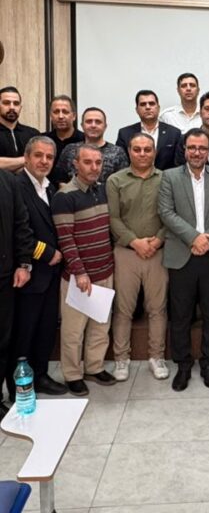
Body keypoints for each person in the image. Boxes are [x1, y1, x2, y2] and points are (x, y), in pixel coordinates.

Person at [158, 128, 209, 391]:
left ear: (208, 151)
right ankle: (183, 364)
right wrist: (194, 238)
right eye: (192, 147)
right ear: (184, 149)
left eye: (202, 148)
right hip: (183, 253)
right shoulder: (169, 177)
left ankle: (208, 362)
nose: (197, 152)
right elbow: (166, 212)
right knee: (181, 314)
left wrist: (207, 239)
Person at [51, 144, 116, 396]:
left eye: (98, 163)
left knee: (100, 325)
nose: (94, 167)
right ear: (75, 164)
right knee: (73, 331)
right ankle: (72, 374)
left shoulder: (102, 191)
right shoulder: (64, 196)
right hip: (79, 277)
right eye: (87, 162)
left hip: (104, 271)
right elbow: (66, 239)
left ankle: (94, 367)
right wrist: (79, 272)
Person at [107, 133, 169, 382]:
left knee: (157, 308)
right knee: (124, 309)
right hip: (126, 252)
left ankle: (157, 356)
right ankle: (121, 358)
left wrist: (158, 240)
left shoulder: (166, 179)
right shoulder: (115, 180)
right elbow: (113, 218)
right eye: (137, 149)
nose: (142, 154)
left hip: (157, 251)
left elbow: (172, 214)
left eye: (147, 149)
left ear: (154, 152)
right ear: (129, 151)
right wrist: (134, 242)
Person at [9, 137, 67, 399]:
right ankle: (18, 387)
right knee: (25, 331)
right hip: (30, 271)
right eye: (38, 156)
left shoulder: (50, 187)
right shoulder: (16, 186)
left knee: (45, 327)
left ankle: (41, 375)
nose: (44, 161)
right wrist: (47, 254)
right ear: (26, 157)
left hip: (51, 274)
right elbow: (18, 232)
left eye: (49, 157)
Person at [0, 169, 34, 420]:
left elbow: (21, 224)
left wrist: (24, 263)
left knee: (3, 339)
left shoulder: (8, 181)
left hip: (4, 274)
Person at [54, 107, 128, 185]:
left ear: (105, 126)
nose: (93, 125)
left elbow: (123, 184)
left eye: (98, 122)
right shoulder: (69, 150)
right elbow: (61, 181)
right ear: (82, 125)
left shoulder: (117, 153)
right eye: (89, 122)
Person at [116, 90, 182, 171]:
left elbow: (178, 165)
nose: (147, 107)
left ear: (158, 108)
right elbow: (121, 164)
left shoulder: (174, 133)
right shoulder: (125, 134)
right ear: (137, 110)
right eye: (143, 104)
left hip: (165, 178)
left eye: (151, 103)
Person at [43, 94, 85, 186]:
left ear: (74, 116)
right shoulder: (42, 141)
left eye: (65, 112)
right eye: (56, 112)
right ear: (50, 116)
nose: (61, 116)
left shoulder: (85, 141)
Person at [0, 86, 39, 172]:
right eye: (6, 103)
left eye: (16, 103)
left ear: (20, 107)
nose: (12, 107)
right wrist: (26, 159)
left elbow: (39, 162)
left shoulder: (33, 134)